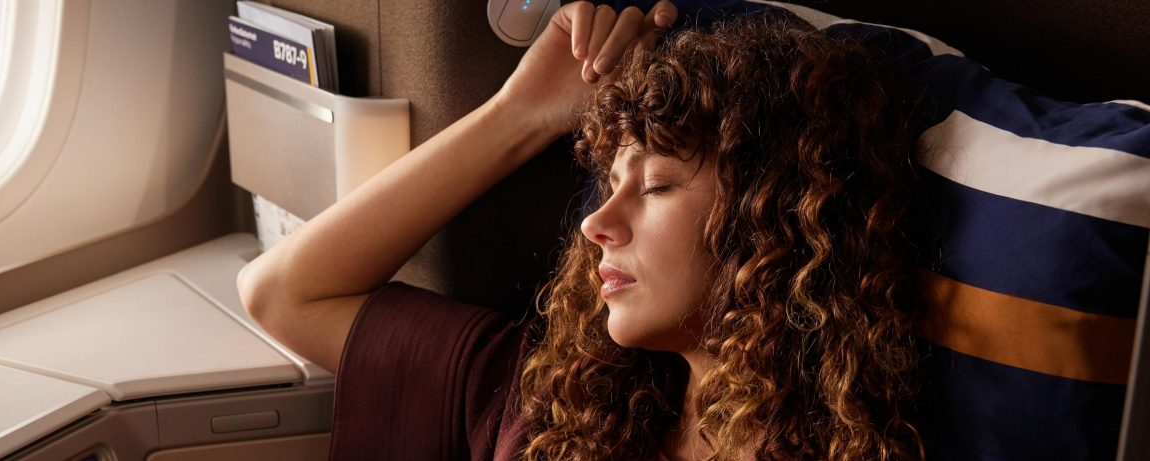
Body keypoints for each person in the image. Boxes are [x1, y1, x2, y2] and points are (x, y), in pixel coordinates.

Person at [238, 1, 931, 459]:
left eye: (656, 185)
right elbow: (284, 290)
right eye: (611, 181)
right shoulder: (556, 403)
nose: (597, 223)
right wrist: (520, 113)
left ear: (774, 221)